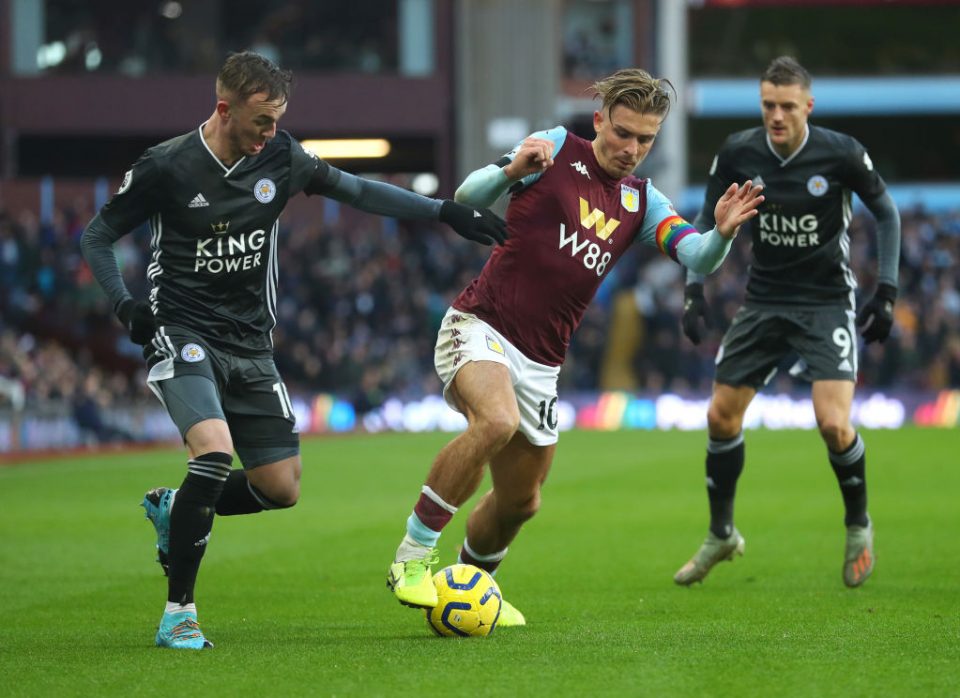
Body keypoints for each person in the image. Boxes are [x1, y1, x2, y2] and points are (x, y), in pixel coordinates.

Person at [80, 51, 508, 650]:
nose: (271, 131)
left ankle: (177, 509)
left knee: (279, 488)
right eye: (262, 120)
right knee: (213, 453)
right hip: (182, 330)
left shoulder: (280, 157)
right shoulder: (167, 165)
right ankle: (179, 613)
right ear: (225, 109)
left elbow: (357, 191)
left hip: (252, 342)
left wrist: (443, 212)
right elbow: (97, 235)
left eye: (278, 119)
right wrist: (126, 304)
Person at [385, 68, 765, 622]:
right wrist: (510, 170)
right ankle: (412, 556)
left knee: (521, 502)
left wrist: (722, 235)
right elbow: (466, 198)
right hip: (482, 324)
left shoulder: (642, 202)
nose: (632, 148)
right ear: (599, 121)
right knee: (496, 421)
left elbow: (698, 257)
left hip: (542, 363)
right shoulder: (557, 148)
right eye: (623, 133)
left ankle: (471, 586)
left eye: (645, 139)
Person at [674, 56, 901, 589]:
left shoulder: (841, 153)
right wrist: (693, 289)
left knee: (834, 425)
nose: (776, 116)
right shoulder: (739, 151)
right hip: (764, 299)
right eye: (768, 105)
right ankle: (721, 534)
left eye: (787, 106)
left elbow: (887, 213)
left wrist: (887, 290)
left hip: (826, 301)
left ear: (808, 106)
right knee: (720, 416)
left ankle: (858, 525)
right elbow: (706, 219)